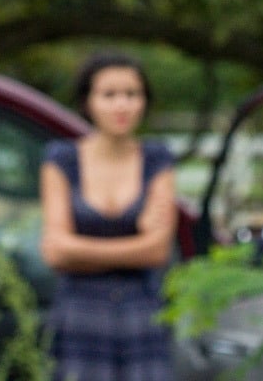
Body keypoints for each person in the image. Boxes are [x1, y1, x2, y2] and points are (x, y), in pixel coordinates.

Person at [39, 52, 179, 381]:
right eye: (109, 94)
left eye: (131, 94)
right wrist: (134, 248)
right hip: (79, 314)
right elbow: (55, 252)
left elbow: (158, 251)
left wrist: (79, 251)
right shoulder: (62, 159)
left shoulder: (157, 159)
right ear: (87, 101)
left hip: (142, 312)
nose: (121, 105)